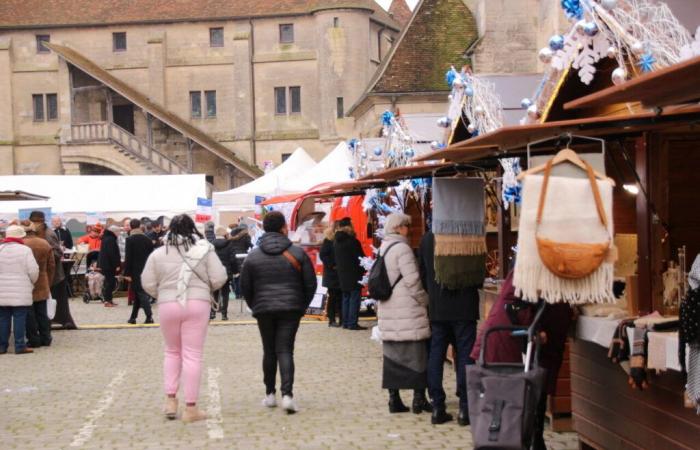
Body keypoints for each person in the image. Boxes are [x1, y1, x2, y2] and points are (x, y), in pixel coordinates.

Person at [470, 270, 573, 450]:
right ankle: (508, 440)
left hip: (528, 341)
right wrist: (532, 327)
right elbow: (513, 303)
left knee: (532, 390)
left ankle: (531, 439)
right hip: (509, 338)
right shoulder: (529, 266)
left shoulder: (544, 267)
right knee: (511, 395)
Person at [141, 214, 227, 422]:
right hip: (197, 303)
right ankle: (191, 408)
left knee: (171, 351)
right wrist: (205, 288)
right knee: (192, 354)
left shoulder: (158, 253)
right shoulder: (205, 251)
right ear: (193, 230)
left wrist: (163, 294)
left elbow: (147, 282)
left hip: (168, 304)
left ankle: (170, 400)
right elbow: (219, 278)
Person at [240, 211, 317, 414]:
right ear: (284, 228)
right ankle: (287, 395)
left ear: (264, 228)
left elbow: (245, 286)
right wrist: (301, 305)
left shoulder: (253, 256)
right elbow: (310, 283)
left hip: (264, 309)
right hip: (291, 309)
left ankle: (270, 395)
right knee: (285, 350)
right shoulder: (297, 253)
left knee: (269, 350)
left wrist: (254, 305)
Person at [419, 230, 479, 425]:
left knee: (436, 355)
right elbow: (478, 273)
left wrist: (434, 295)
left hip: (438, 308)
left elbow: (423, 273)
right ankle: (465, 408)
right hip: (464, 307)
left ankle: (437, 406)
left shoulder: (428, 238)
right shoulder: (468, 233)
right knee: (465, 355)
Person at [377, 213, 432, 415]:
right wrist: (425, 300)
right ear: (399, 228)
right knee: (417, 356)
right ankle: (419, 399)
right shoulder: (403, 249)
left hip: (389, 309)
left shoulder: (384, 247)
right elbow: (413, 281)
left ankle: (394, 400)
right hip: (408, 311)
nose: (409, 230)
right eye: (407, 226)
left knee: (392, 356)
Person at [30, 211, 75, 330]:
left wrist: (44, 257)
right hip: (46, 273)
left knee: (56, 301)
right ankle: (48, 322)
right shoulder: (40, 232)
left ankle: (64, 322)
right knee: (49, 301)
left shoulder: (48, 234)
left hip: (54, 274)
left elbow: (57, 252)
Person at [0, 225, 39, 354]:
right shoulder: (25, 250)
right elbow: (33, 271)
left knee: (3, 318)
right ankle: (19, 346)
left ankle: (2, 346)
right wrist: (30, 283)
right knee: (19, 318)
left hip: (2, 291)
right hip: (21, 290)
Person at [22, 221, 55, 348]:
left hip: (26, 282)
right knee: (42, 312)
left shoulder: (22, 244)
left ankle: (33, 339)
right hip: (42, 281)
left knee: (29, 314)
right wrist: (48, 281)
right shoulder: (44, 243)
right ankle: (46, 338)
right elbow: (52, 266)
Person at [333, 217, 366, 330]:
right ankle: (352, 323)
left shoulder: (336, 241)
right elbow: (360, 258)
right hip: (354, 273)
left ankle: (346, 322)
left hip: (342, 274)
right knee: (354, 298)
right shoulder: (352, 241)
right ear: (349, 227)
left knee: (346, 297)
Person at [124, 218, 154, 324]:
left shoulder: (130, 240)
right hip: (146, 269)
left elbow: (128, 258)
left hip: (134, 271)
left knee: (140, 293)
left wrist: (126, 273)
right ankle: (133, 317)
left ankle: (149, 316)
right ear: (140, 226)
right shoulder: (147, 239)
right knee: (137, 294)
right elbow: (152, 255)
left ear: (131, 227)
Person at [210, 227, 238, 321]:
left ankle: (213, 313)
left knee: (214, 292)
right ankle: (224, 315)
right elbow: (233, 259)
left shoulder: (211, 245)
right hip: (226, 272)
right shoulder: (229, 244)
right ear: (224, 235)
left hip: (213, 272)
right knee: (225, 293)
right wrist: (235, 271)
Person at [319, 224, 342, 327]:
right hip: (331, 274)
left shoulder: (337, 240)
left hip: (338, 273)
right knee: (333, 297)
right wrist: (332, 265)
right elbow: (323, 255)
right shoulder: (328, 241)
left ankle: (341, 319)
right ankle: (331, 319)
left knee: (339, 297)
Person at [98, 225, 121, 307]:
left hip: (106, 264)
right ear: (114, 232)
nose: (119, 234)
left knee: (109, 282)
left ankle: (109, 300)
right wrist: (117, 264)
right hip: (108, 265)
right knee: (110, 282)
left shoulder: (107, 238)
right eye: (118, 232)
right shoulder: (110, 239)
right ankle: (107, 300)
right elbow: (112, 254)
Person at [228, 224, 252, 299]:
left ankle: (237, 294)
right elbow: (248, 245)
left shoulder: (232, 234)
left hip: (233, 256)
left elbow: (230, 245)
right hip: (242, 256)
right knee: (242, 276)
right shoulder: (246, 235)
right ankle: (241, 294)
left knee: (236, 276)